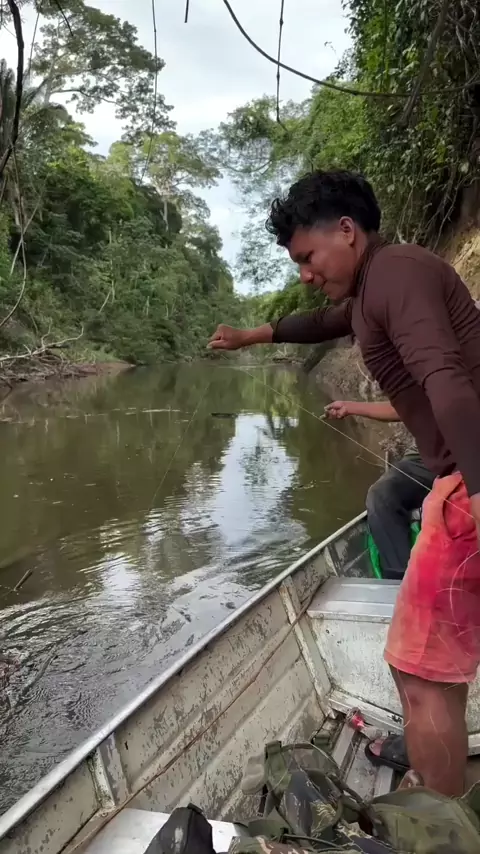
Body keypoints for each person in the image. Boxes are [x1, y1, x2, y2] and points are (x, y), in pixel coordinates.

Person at [208, 169, 480, 797]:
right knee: (426, 671)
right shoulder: (371, 288)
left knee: (420, 675)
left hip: (467, 483)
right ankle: (439, 787)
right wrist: (254, 335)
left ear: (348, 231)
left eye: (308, 257)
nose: (305, 273)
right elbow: (323, 322)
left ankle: (439, 814)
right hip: (460, 477)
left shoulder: (397, 274)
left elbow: (446, 377)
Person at [324, 399, 435, 580]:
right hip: (426, 456)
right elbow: (405, 406)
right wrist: (349, 407)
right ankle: (400, 581)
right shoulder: (422, 385)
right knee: (380, 496)